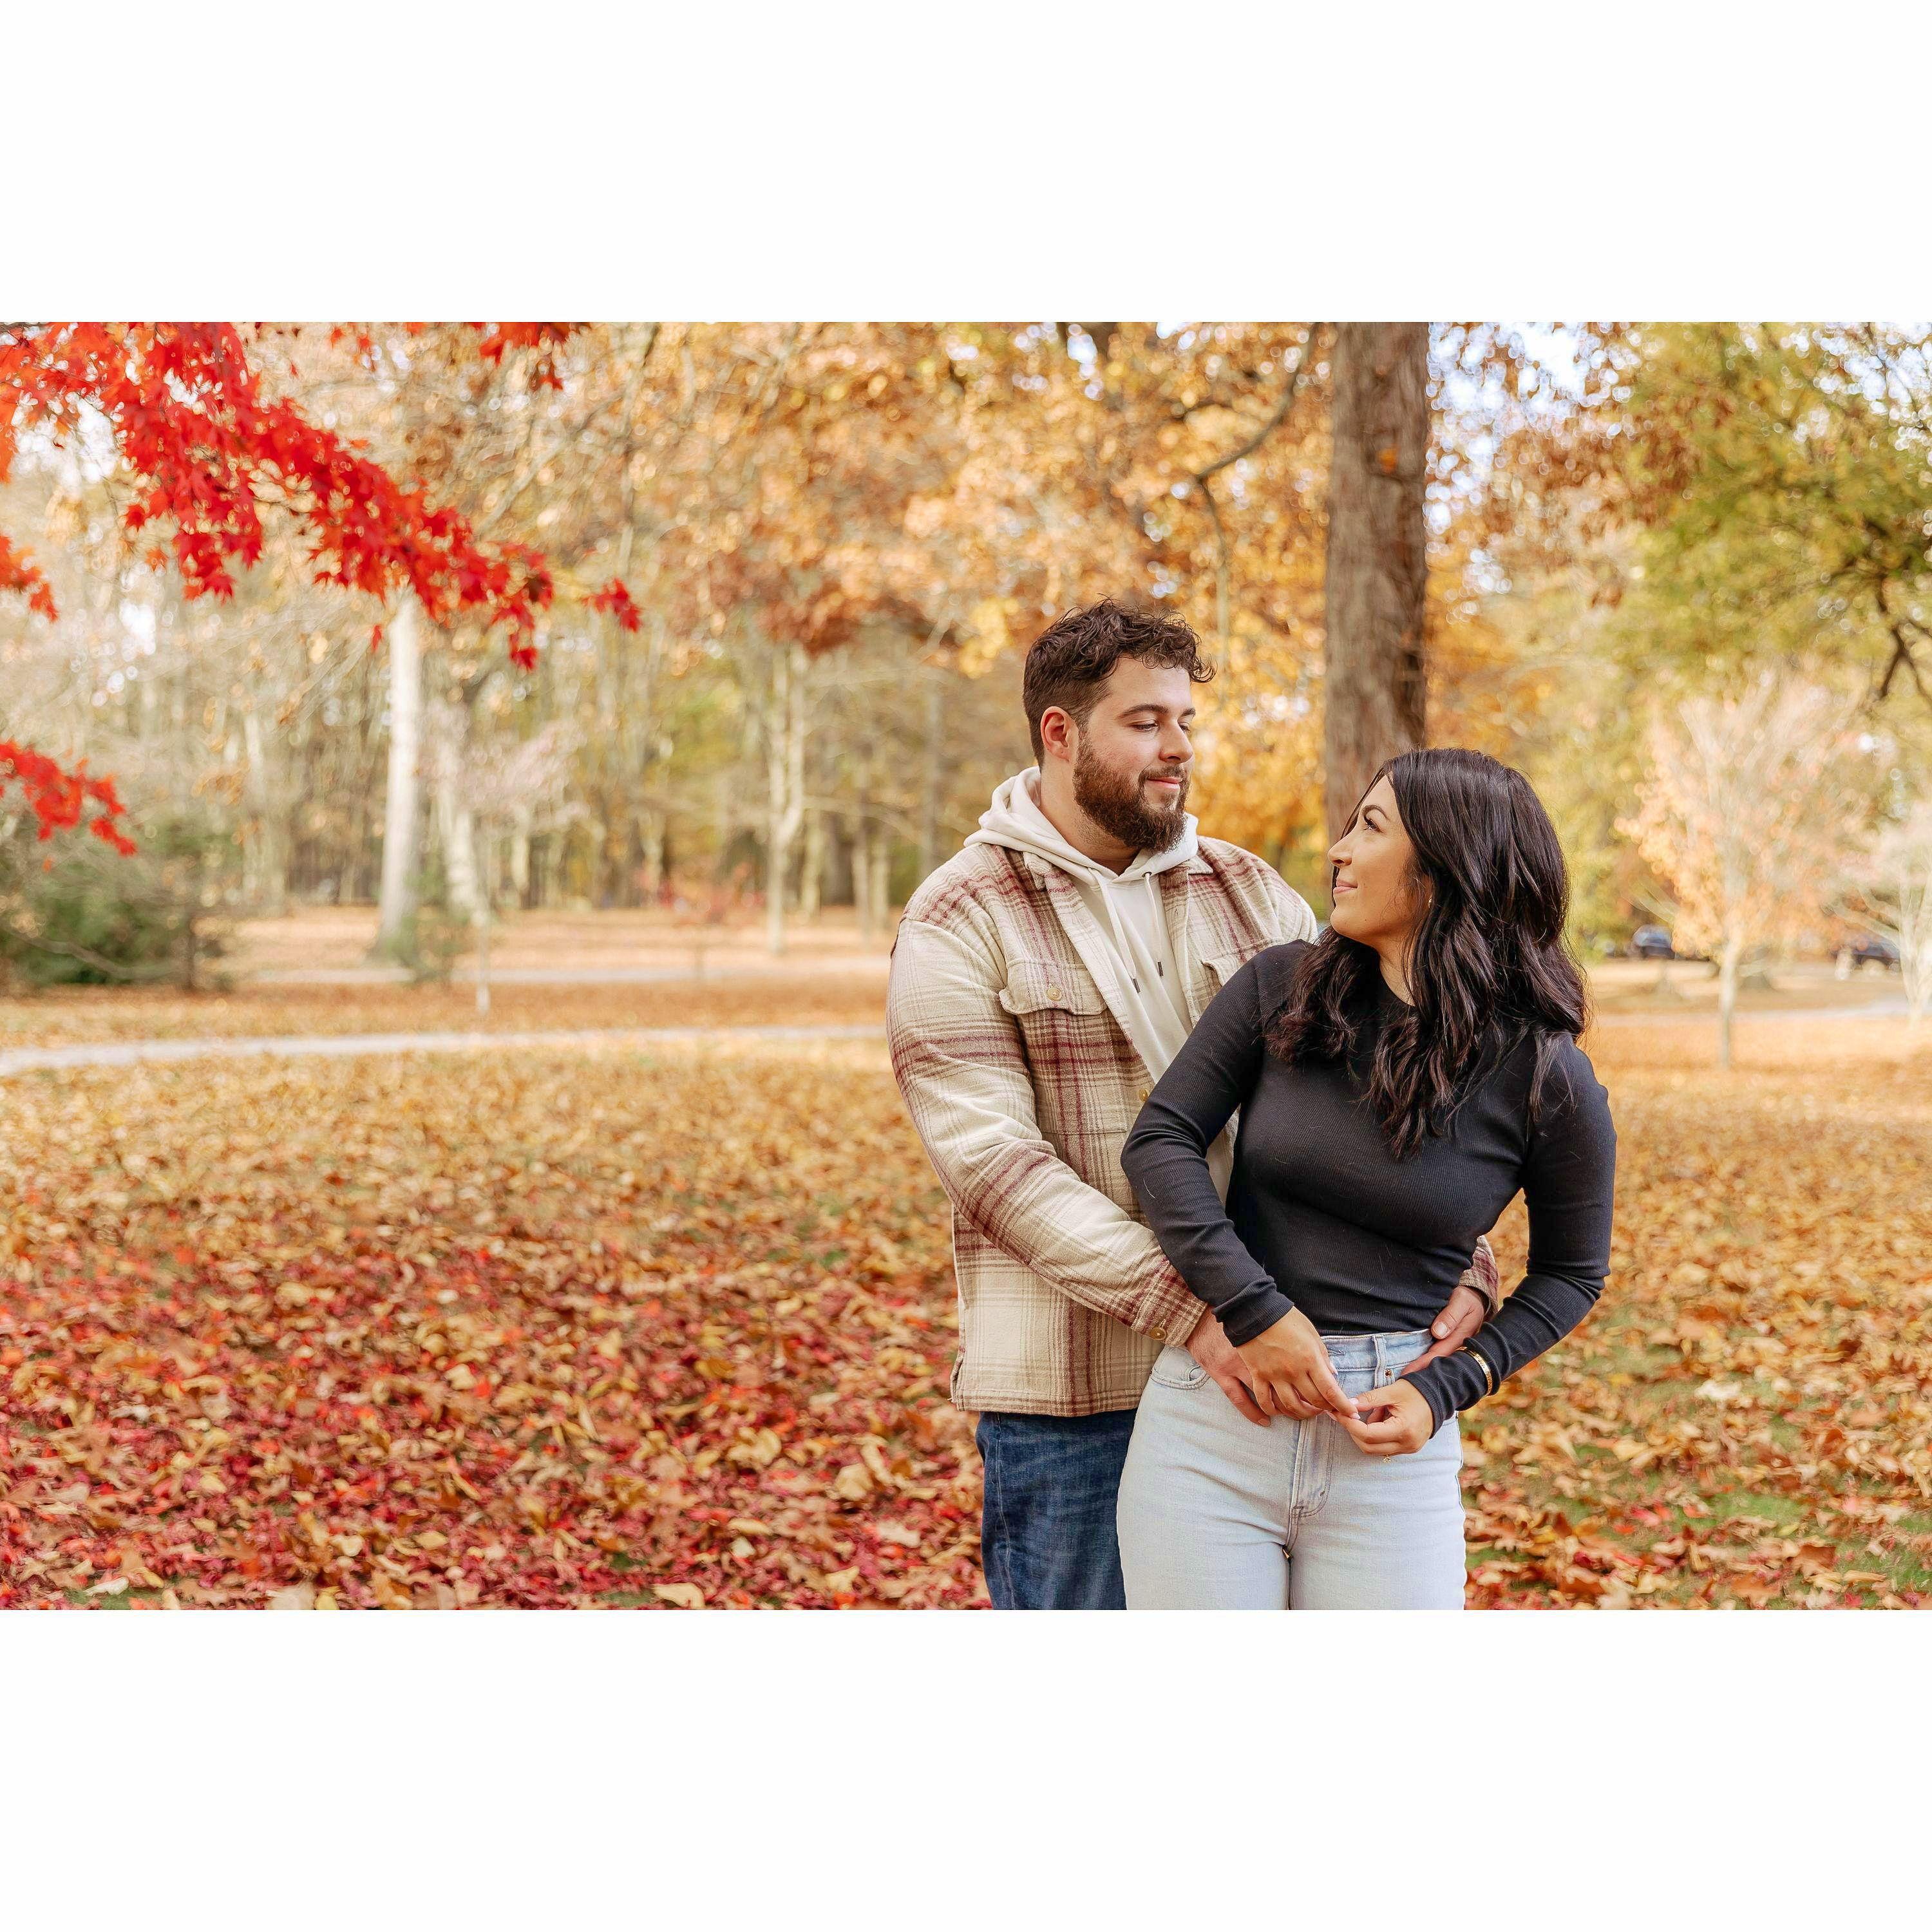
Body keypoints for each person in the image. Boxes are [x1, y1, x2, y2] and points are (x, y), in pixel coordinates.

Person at [886, 601, 1498, 1609]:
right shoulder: (959, 917)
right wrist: (1204, 1312)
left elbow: (1380, 1099)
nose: (1179, 748)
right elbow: (996, 1169)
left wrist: (1458, 1259)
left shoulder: (1254, 894)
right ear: (1060, 732)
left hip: (1284, 1372)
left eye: (1186, 721)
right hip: (1082, 1399)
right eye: (1145, 722)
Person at [1116, 748, 1618, 1609]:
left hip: (1390, 1444)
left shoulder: (1545, 1076)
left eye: (1371, 828)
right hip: (1216, 1420)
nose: (1339, 851)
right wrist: (1253, 1309)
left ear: (1448, 868)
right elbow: (1161, 1140)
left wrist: (1450, 1384)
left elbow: (1573, 1273)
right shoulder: (1283, 987)